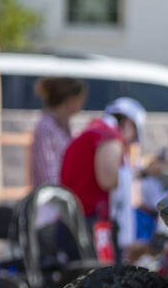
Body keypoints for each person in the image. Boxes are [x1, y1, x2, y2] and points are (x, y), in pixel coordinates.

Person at [60, 97, 145, 261]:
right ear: (128, 123)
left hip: (74, 221)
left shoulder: (94, 131)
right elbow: (107, 180)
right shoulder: (109, 137)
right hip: (87, 225)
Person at [28, 76, 86, 187]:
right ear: (70, 100)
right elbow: (48, 173)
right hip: (51, 198)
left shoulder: (66, 127)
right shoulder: (46, 127)